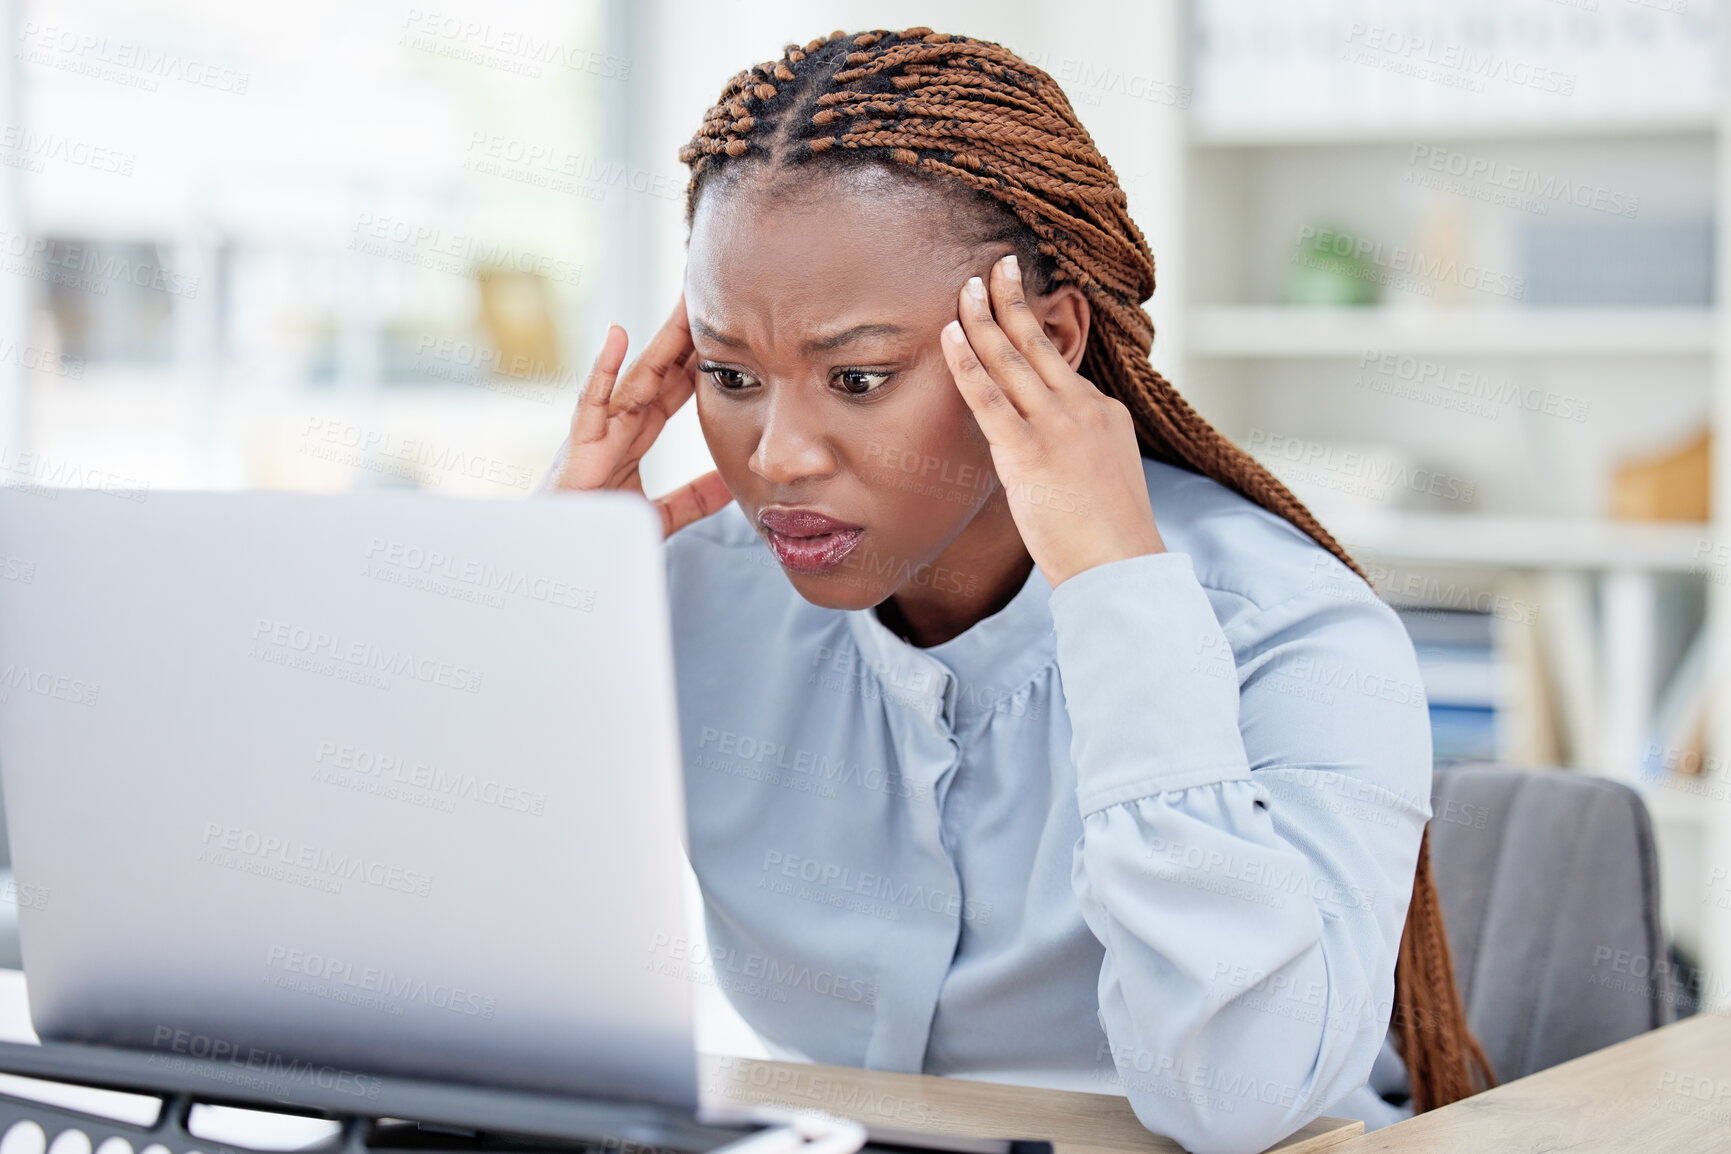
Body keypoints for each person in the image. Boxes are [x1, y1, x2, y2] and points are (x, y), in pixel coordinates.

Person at [544, 28, 1492, 1154]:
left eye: (857, 377)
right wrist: (543, 611)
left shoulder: (1291, 629)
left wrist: (1116, 595)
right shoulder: (688, 598)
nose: (782, 453)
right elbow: (441, 997)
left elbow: (1237, 1097)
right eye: (730, 374)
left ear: (1041, 341)